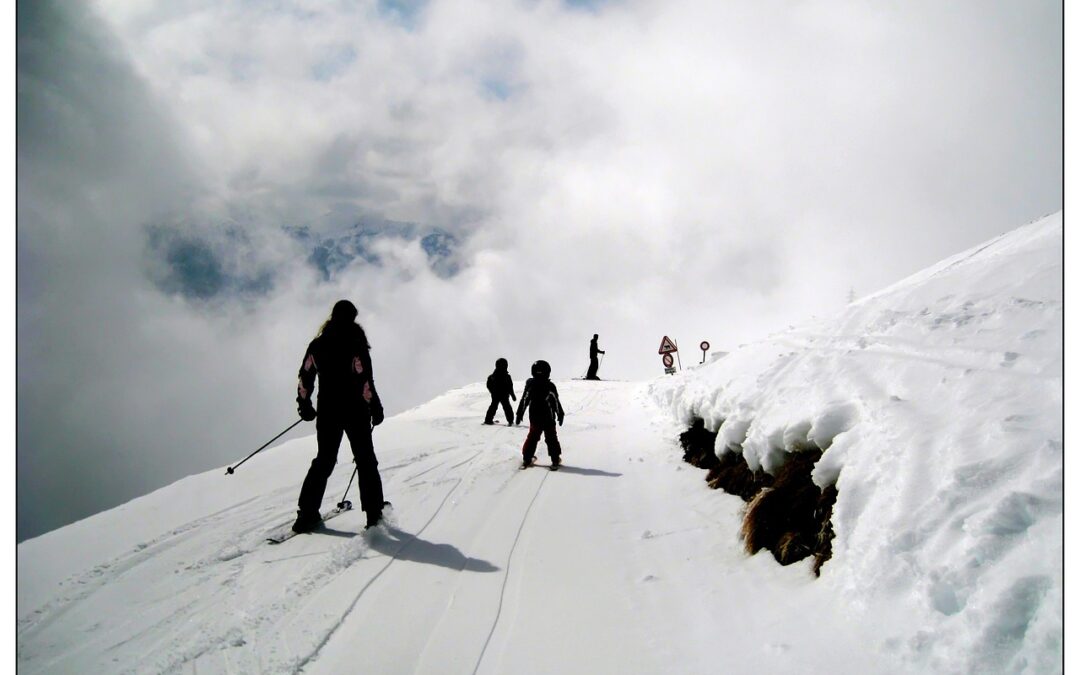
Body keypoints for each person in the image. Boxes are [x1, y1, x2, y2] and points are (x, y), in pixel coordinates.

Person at [293, 300, 386, 533]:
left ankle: (306, 514)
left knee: (324, 460)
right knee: (365, 459)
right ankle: (373, 515)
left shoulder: (318, 344)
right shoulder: (356, 343)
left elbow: (305, 376)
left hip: (328, 410)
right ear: (352, 318)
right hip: (355, 410)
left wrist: (304, 404)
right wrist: (375, 406)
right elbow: (365, 379)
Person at [515, 360, 565, 469]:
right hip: (548, 417)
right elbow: (555, 401)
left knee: (533, 437)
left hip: (535, 417)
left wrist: (519, 414)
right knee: (551, 437)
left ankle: (527, 458)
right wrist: (560, 414)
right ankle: (555, 459)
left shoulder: (530, 385)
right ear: (548, 372)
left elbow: (524, 400)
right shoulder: (550, 386)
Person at [484, 358, 517, 425]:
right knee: (506, 407)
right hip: (503, 395)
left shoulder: (492, 376)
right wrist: (512, 395)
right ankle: (510, 421)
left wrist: (492, 392)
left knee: (494, 406)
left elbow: (488, 385)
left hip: (496, 395)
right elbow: (510, 387)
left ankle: (488, 420)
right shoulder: (506, 376)